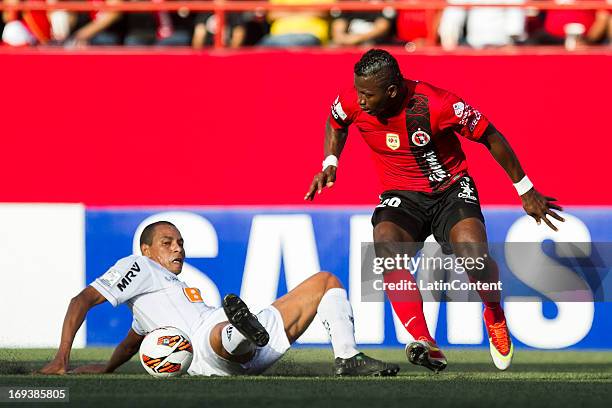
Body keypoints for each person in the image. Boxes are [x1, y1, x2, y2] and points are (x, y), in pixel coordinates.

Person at [304, 49, 564, 372]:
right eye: (358, 91)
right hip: (401, 195)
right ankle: (424, 341)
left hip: (450, 190)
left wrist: (525, 190)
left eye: (368, 95)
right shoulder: (354, 100)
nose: (361, 100)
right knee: (385, 244)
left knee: (475, 257)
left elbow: (491, 136)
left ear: (392, 91)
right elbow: (336, 122)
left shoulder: (439, 104)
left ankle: (494, 312)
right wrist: (331, 162)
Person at [40, 221, 399, 377]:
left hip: (247, 352)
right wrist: (62, 357)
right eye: (168, 242)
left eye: (180, 242)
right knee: (217, 329)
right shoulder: (138, 265)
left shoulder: (157, 296)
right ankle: (239, 331)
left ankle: (347, 357)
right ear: (146, 249)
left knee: (325, 281)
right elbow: (81, 300)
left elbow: (133, 341)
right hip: (203, 347)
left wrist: (106, 367)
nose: (178, 247)